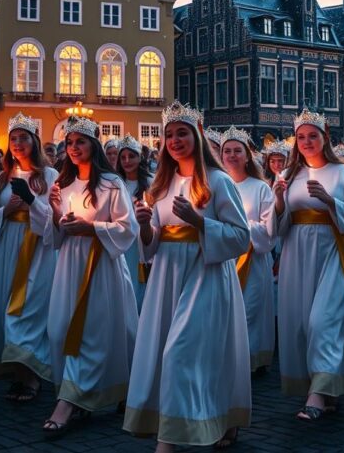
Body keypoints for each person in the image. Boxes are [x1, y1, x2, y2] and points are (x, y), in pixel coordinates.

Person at [123, 104, 249, 451]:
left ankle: (169, 440)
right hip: (167, 277)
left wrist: (199, 222)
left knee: (183, 352)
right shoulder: (160, 185)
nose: (175, 140)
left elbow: (241, 237)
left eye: (182, 133)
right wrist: (146, 225)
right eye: (169, 135)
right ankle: (216, 417)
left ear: (196, 135)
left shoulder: (219, 181)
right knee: (182, 352)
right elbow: (149, 247)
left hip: (205, 275)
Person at [272, 109, 344, 421]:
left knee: (322, 321)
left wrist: (331, 202)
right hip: (297, 254)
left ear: (325, 137)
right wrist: (277, 202)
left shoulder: (343, 174)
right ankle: (324, 389)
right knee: (301, 324)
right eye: (301, 137)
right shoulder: (288, 177)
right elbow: (277, 227)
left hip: (333, 253)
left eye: (312, 135)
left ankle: (316, 396)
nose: (307, 142)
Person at [44, 115, 137, 437]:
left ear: (93, 145)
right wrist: (57, 214)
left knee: (92, 333)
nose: (73, 148)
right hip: (69, 264)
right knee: (59, 330)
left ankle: (67, 403)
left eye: (80, 142)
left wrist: (92, 227)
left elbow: (128, 229)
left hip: (100, 266)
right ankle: (87, 393)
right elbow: (54, 235)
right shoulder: (62, 184)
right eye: (69, 143)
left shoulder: (112, 184)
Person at [0, 113, 58, 405]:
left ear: (34, 142)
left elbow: (56, 216)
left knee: (31, 312)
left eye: (23, 138)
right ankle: (16, 372)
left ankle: (32, 376)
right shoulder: (2, 178)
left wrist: (30, 201)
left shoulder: (50, 176)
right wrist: (5, 211)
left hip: (38, 249)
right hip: (8, 248)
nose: (17, 144)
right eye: (13, 139)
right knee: (5, 308)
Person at [219, 126, 275, 375]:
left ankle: (251, 359)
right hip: (225, 258)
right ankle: (230, 359)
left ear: (247, 155)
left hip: (252, 259)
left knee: (250, 310)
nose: (231, 156)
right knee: (228, 311)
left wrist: (241, 227)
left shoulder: (260, 187)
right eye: (227, 151)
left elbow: (268, 230)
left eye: (237, 151)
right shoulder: (218, 184)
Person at [115, 134, 153, 311]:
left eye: (131, 156)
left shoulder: (151, 184)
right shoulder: (116, 184)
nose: (127, 161)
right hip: (122, 243)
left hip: (142, 243)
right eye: (122, 157)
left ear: (140, 158)